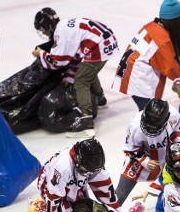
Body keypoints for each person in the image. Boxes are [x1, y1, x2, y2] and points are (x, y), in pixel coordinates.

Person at [32, 8, 118, 139]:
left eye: (43, 29)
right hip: (105, 42)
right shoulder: (65, 26)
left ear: (48, 25)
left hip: (100, 46)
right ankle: (101, 99)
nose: (44, 32)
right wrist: (68, 76)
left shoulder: (61, 34)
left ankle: (86, 119)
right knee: (87, 71)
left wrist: (41, 53)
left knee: (81, 80)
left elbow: (57, 62)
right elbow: (75, 58)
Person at [112, 0, 180, 111]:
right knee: (152, 119)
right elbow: (170, 67)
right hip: (140, 82)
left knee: (148, 116)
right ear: (175, 21)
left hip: (131, 75)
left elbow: (166, 57)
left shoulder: (152, 26)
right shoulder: (162, 40)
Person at [115, 98, 180, 204]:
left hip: (166, 156)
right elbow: (130, 149)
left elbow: (177, 130)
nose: (150, 131)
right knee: (118, 197)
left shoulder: (173, 115)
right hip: (139, 159)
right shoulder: (134, 126)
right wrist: (145, 161)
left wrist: (178, 149)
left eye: (154, 128)